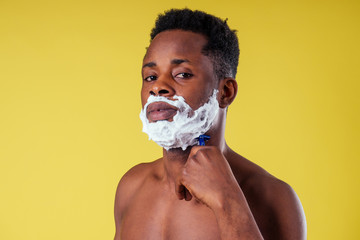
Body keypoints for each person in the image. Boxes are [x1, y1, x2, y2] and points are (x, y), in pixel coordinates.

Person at [114, 8, 306, 240]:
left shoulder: (273, 197)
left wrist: (228, 199)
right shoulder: (131, 187)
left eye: (182, 74)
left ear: (225, 92)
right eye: (151, 77)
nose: (157, 87)